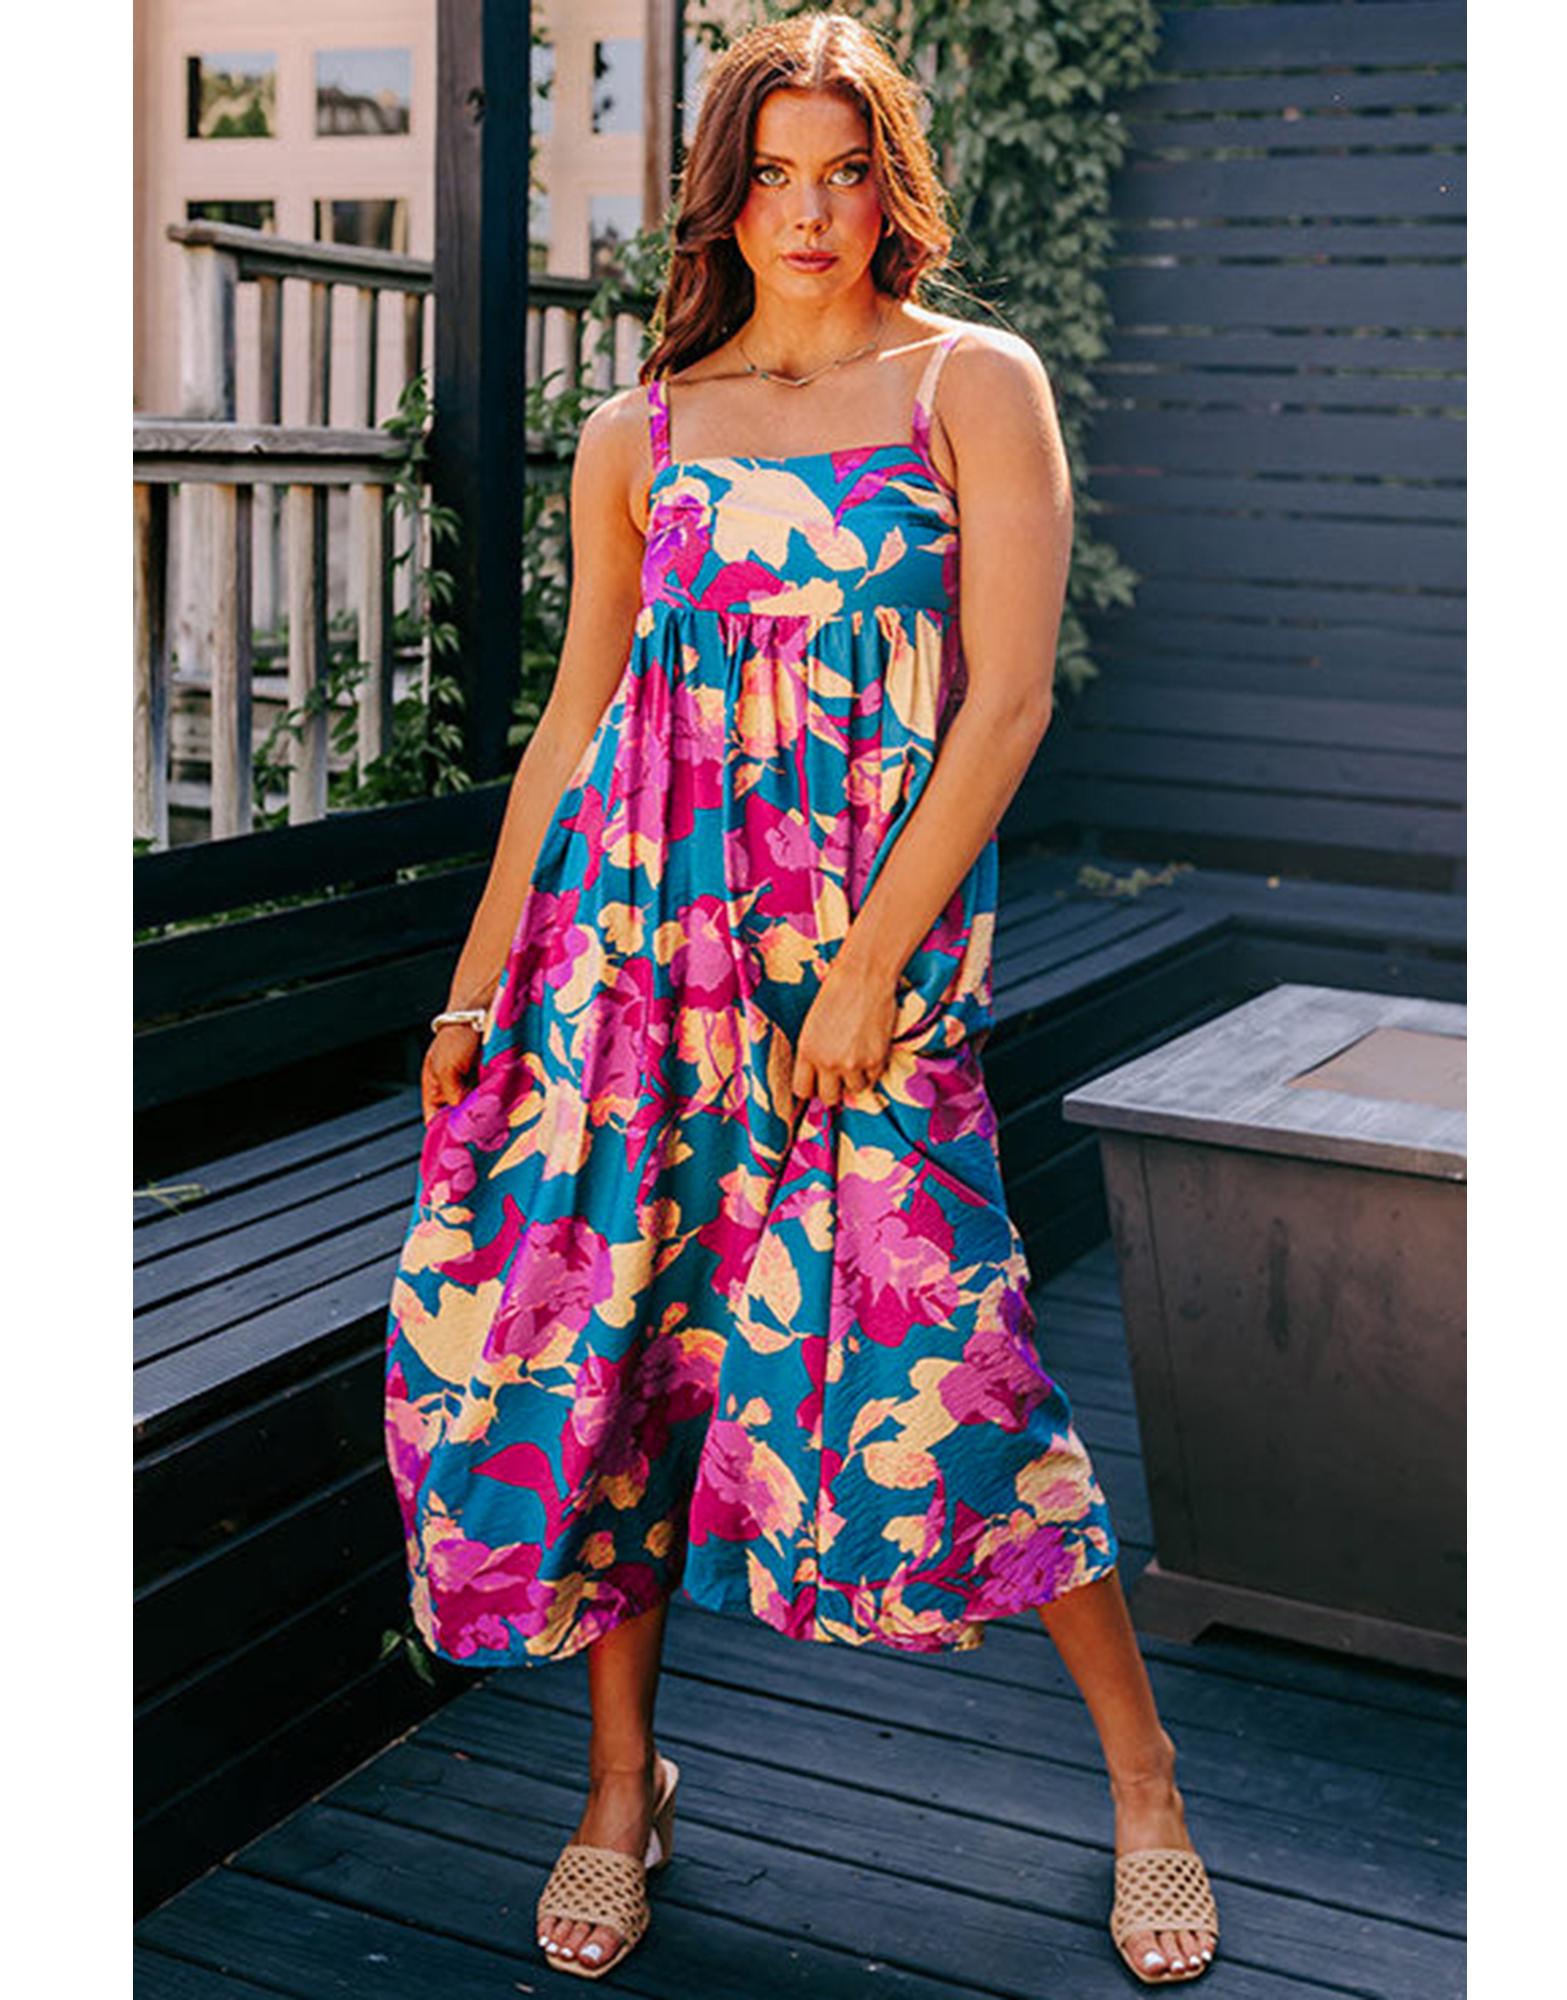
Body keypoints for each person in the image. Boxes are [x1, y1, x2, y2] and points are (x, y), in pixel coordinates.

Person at [383, 10, 1219, 1987]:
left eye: (845, 170)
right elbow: (574, 725)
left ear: (889, 186)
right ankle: (620, 1788)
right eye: (773, 174)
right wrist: (475, 987)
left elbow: (1005, 705)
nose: (811, 211)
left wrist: (862, 970)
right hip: (623, 981)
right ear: (724, 198)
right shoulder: (643, 430)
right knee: (610, 1369)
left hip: (862, 987)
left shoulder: (969, 387)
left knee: (961, 1368)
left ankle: (1148, 1784)